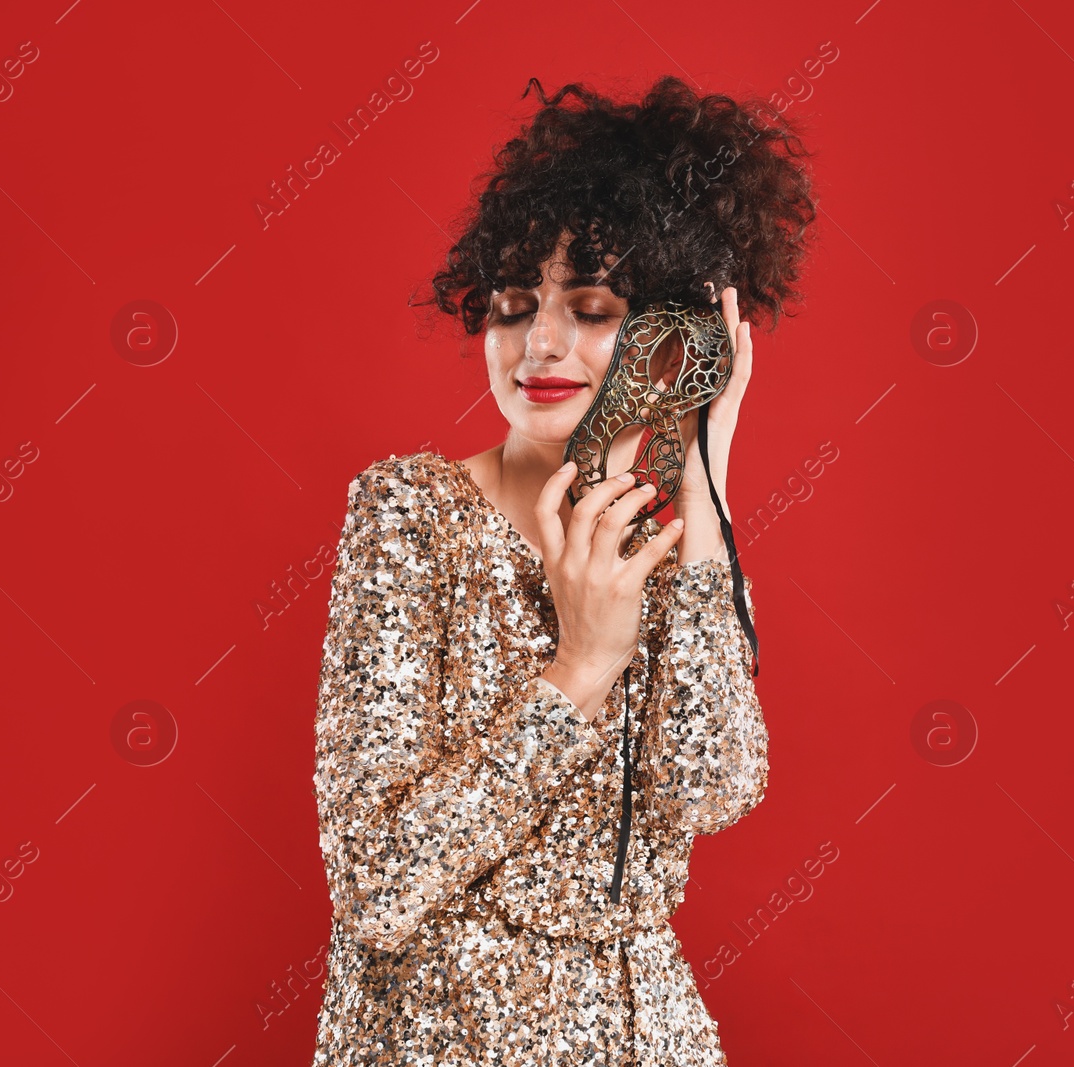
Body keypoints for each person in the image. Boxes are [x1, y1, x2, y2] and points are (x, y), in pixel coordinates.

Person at [309, 74, 817, 1065]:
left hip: (645, 1035)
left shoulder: (671, 547)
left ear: (673, 339)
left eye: (589, 307)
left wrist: (704, 485)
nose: (536, 342)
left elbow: (711, 785)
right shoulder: (410, 515)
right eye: (509, 307)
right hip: (438, 1034)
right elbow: (376, 881)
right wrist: (579, 669)